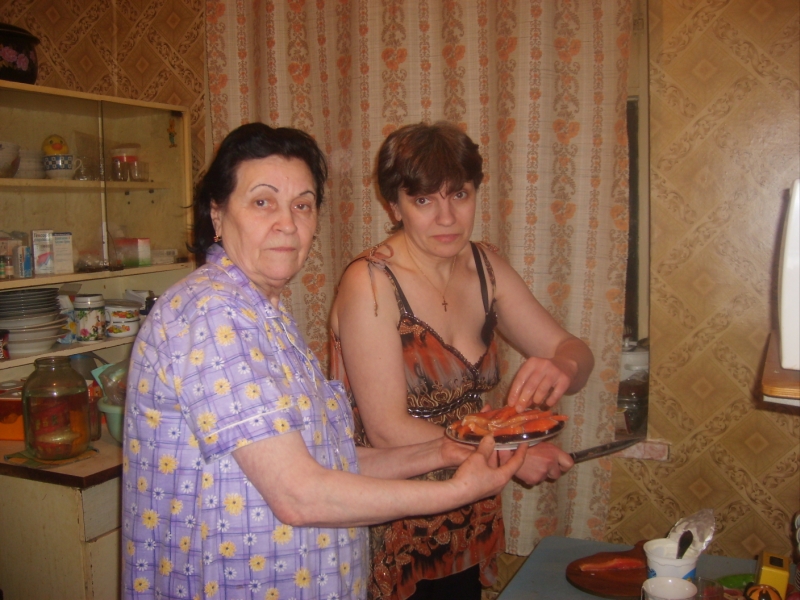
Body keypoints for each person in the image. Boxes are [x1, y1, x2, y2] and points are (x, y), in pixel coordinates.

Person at [120, 122, 530, 600]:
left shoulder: (262, 315)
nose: (287, 223)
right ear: (217, 212)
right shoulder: (210, 314)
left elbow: (328, 460)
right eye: (262, 202)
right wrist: (458, 491)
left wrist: (443, 451)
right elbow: (299, 493)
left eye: (303, 205)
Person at [330, 122, 595, 600]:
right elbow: (387, 429)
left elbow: (574, 350)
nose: (447, 217)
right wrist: (511, 454)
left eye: (459, 194)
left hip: (470, 506)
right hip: (396, 515)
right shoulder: (369, 282)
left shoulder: (486, 267)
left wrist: (565, 367)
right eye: (424, 200)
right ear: (395, 206)